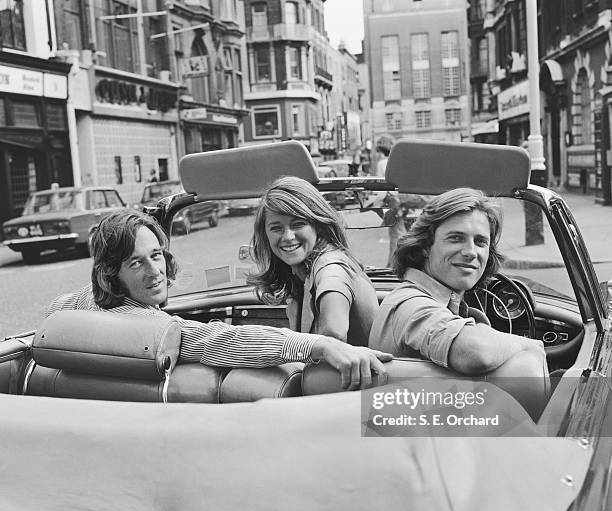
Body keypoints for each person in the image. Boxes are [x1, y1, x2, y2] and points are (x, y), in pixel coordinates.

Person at [45, 210, 392, 390]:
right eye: (136, 262)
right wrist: (318, 346)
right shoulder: (158, 330)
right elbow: (225, 340)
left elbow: (57, 307)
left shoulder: (75, 307)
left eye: (156, 255)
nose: (155, 271)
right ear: (111, 273)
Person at [368, 187, 547, 376]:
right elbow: (476, 352)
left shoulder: (437, 301)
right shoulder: (410, 304)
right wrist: (530, 345)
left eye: (480, 242)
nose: (470, 252)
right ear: (425, 247)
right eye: (456, 238)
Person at [248, 176, 379, 346]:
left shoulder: (331, 268)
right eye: (276, 228)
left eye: (298, 224)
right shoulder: (303, 273)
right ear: (265, 234)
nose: (288, 237)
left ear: (318, 225)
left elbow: (334, 333)